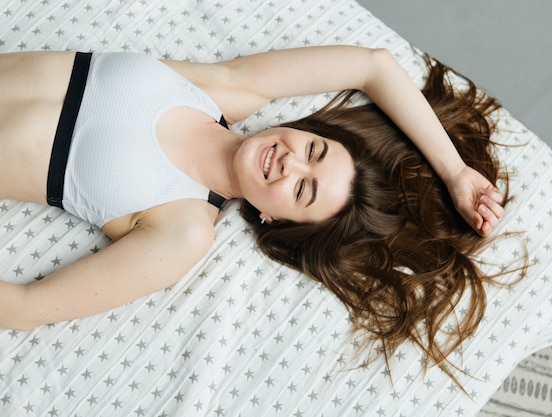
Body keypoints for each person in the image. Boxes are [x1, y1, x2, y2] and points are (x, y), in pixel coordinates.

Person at [0, 46, 507, 377]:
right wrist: (455, 172)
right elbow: (372, 66)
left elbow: (25, 309)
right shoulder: (222, 89)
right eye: (313, 151)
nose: (290, 162)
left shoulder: (181, 229)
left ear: (276, 221)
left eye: (302, 191)